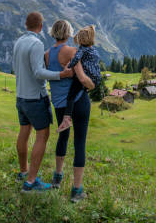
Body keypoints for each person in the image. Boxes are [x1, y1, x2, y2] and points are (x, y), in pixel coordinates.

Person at [13, 12, 73, 192]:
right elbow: (38, 72)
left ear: (26, 25)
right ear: (40, 26)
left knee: (24, 132)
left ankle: (23, 172)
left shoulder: (19, 42)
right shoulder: (37, 43)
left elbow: (17, 67)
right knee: (42, 135)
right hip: (35, 97)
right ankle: (31, 182)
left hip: (20, 96)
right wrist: (61, 74)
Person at [45, 20, 95, 202]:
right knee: (80, 141)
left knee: (63, 137)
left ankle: (57, 178)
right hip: (77, 101)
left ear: (53, 32)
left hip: (58, 103)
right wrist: (93, 84)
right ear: (68, 33)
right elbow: (82, 78)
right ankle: (76, 190)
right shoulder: (72, 52)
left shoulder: (47, 54)